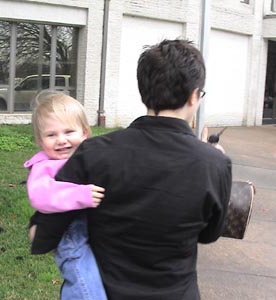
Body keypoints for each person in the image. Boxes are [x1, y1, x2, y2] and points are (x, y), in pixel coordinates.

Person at [30, 39, 232, 300]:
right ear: (194, 95)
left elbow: (44, 234)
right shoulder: (214, 164)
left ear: (143, 91)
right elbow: (209, 234)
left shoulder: (94, 152)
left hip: (104, 292)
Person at [25, 92, 107, 300]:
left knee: (95, 279)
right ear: (40, 140)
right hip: (69, 235)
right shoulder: (44, 166)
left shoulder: (87, 156)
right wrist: (80, 194)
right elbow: (40, 195)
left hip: (92, 232)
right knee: (84, 283)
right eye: (51, 135)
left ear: (85, 133)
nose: (61, 140)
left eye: (69, 131)